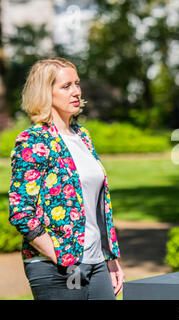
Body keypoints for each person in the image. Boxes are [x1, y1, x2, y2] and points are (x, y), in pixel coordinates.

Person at [8, 57, 124, 300]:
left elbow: (99, 205)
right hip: (56, 268)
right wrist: (61, 256)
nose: (76, 92)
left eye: (77, 84)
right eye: (66, 86)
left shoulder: (82, 135)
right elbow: (20, 211)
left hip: (97, 262)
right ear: (45, 92)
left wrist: (110, 257)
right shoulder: (33, 141)